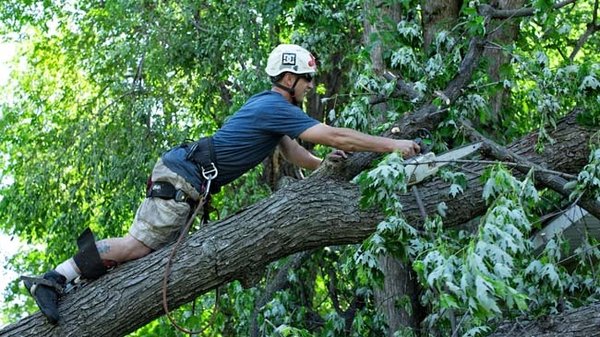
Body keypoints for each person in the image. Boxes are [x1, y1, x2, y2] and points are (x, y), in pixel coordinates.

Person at [23, 44, 420, 324]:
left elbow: (294, 151)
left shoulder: (273, 113)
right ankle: (53, 279)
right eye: (306, 80)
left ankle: (75, 285)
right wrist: (392, 144)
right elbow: (335, 136)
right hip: (184, 176)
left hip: (187, 175)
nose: (310, 86)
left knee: (142, 254)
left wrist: (324, 166)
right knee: (137, 245)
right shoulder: (273, 106)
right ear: (288, 77)